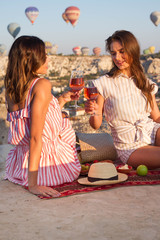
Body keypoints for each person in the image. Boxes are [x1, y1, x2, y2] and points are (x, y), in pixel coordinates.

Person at [4, 35, 81, 198]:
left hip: (19, 166)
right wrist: (33, 185)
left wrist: (61, 101)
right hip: (47, 168)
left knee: (63, 118)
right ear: (30, 59)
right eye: (43, 55)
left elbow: (35, 120)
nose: (48, 58)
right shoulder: (42, 85)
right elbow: (35, 138)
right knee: (71, 133)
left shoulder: (10, 89)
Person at [85, 30, 160, 169]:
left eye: (122, 51)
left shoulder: (145, 82)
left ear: (133, 51)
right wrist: (94, 112)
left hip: (153, 132)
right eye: (113, 53)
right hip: (130, 147)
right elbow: (95, 125)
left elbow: (156, 117)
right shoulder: (103, 83)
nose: (117, 57)